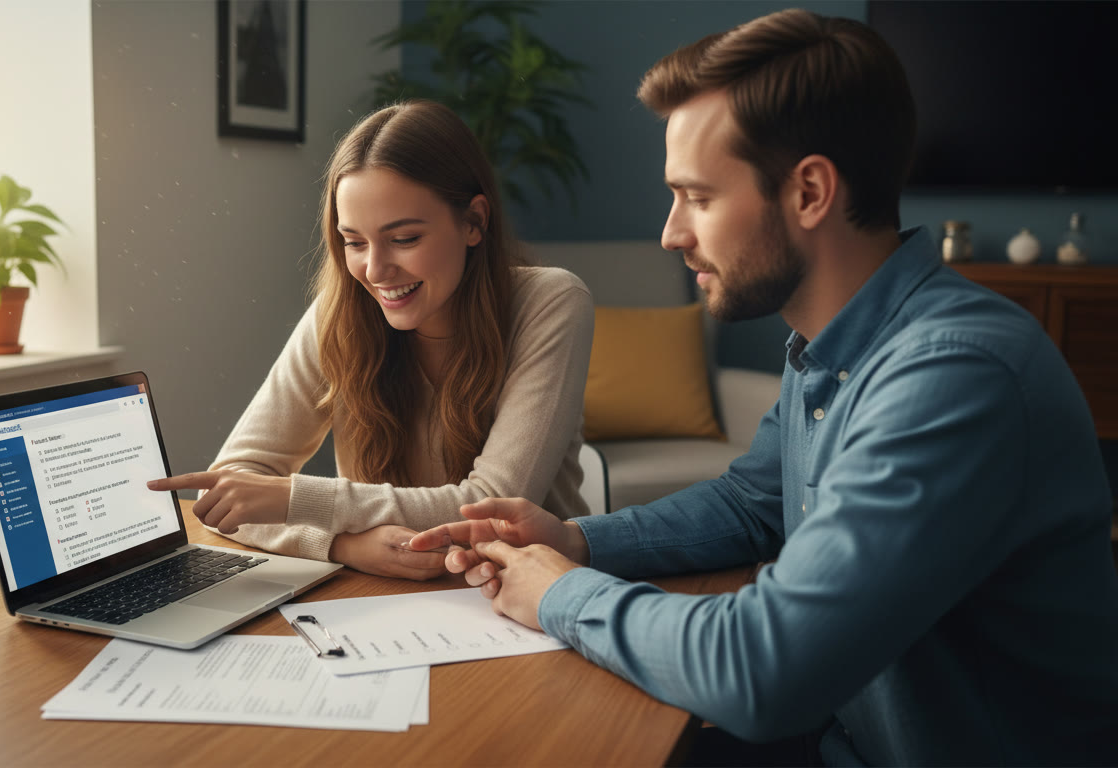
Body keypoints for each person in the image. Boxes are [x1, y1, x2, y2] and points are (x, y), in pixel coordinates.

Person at [410, 9, 1118, 765]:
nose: (671, 233)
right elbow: (753, 502)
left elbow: (762, 670)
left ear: (810, 191)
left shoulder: (953, 375)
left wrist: (557, 592)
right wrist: (576, 540)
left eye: (698, 197)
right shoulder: (833, 341)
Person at [150, 100, 594, 580]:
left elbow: (489, 507)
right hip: (381, 600)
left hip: (529, 592)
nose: (375, 271)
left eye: (403, 239)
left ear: (473, 222)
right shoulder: (338, 315)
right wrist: (343, 544)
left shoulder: (550, 301)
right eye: (354, 242)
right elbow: (226, 494)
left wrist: (296, 500)